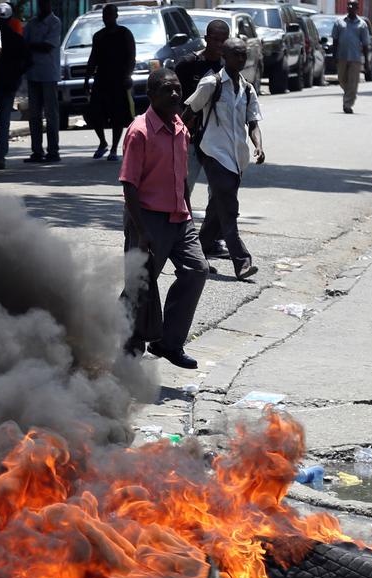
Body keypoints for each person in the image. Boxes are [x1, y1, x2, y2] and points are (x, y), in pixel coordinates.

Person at [119, 68, 207, 370]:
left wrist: (190, 215)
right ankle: (123, 344)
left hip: (179, 217)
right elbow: (129, 184)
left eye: (177, 89)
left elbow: (181, 178)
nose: (174, 95)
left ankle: (168, 342)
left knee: (197, 270)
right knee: (139, 284)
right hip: (147, 217)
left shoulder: (180, 126)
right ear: (152, 95)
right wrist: (141, 232)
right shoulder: (139, 130)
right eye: (167, 90)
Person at [185, 38, 264, 282]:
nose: (241, 59)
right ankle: (242, 261)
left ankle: (197, 253)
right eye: (236, 55)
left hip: (237, 158)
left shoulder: (247, 89)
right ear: (225, 57)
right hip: (214, 153)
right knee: (229, 209)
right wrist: (175, 143)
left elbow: (253, 123)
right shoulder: (211, 83)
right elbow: (189, 112)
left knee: (216, 213)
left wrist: (258, 145)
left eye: (243, 55)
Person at [175, 19, 228, 203]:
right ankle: (179, 228)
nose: (220, 44)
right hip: (190, 138)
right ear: (206, 39)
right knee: (183, 189)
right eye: (216, 40)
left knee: (218, 193)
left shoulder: (228, 68)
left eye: (224, 40)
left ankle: (211, 231)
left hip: (217, 141)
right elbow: (173, 99)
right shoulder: (188, 64)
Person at [85, 4, 135, 161]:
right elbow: (93, 58)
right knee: (95, 114)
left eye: (110, 15)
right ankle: (102, 142)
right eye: (105, 15)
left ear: (116, 16)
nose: (107, 18)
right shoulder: (99, 36)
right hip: (101, 80)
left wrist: (127, 76)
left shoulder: (124, 34)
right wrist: (87, 79)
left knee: (117, 116)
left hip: (119, 80)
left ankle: (114, 148)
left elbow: (131, 57)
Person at [23, 0, 61, 163]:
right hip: (33, 74)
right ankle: (37, 151)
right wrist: (32, 46)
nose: (42, 7)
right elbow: (24, 46)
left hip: (49, 74)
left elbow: (47, 46)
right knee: (34, 115)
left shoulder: (55, 22)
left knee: (51, 114)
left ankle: (53, 151)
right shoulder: (31, 23)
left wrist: (31, 45)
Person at [0, 3, 26, 169]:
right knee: (4, 123)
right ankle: (0, 157)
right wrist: (16, 76)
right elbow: (27, 61)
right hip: (7, 86)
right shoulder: (16, 39)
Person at [332, 0, 371, 114]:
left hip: (355, 58)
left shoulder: (362, 24)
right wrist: (334, 56)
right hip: (342, 56)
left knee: (353, 82)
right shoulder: (339, 22)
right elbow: (335, 40)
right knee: (342, 79)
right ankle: (349, 93)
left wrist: (366, 61)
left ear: (357, 8)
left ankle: (347, 104)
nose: (350, 7)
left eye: (353, 6)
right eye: (348, 5)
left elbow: (365, 44)